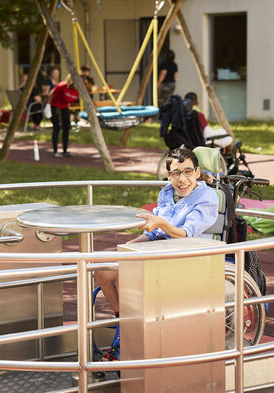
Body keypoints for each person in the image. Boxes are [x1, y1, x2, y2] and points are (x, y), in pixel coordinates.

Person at [96, 148, 220, 313]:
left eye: (188, 172)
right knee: (102, 271)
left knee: (125, 273)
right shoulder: (167, 192)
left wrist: (160, 224)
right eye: (176, 173)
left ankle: (132, 321)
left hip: (189, 256)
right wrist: (129, 246)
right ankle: (122, 318)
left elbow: (186, 234)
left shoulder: (207, 197)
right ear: (168, 175)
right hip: (160, 250)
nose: (182, 179)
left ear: (197, 173)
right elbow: (154, 234)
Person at [49, 74, 91, 157]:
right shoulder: (62, 86)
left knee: (66, 127)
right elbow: (51, 93)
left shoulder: (77, 90)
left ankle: (65, 150)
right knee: (56, 127)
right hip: (56, 107)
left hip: (65, 107)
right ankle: (55, 151)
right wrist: (47, 106)